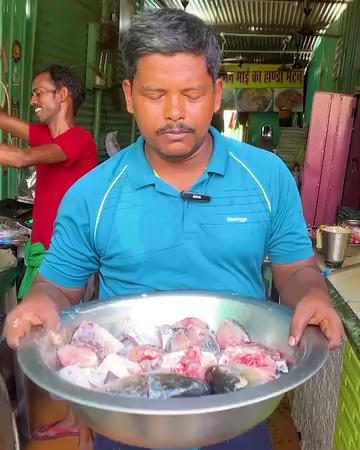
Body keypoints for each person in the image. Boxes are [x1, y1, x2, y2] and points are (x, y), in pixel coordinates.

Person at [5, 9, 344, 450]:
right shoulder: (94, 194)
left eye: (191, 93)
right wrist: (38, 303)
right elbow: (58, 287)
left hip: (236, 406)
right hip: (126, 414)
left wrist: (313, 295)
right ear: (128, 96)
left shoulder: (267, 176)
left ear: (217, 92)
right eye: (155, 94)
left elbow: (295, 270)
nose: (174, 112)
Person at [0, 65, 98, 448]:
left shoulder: (79, 140)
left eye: (40, 92)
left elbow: (22, 157)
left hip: (69, 257)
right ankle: (75, 420)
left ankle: (83, 428)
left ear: (63, 96)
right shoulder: (45, 133)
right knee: (59, 337)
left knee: (72, 338)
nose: (33, 100)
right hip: (45, 250)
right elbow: (10, 124)